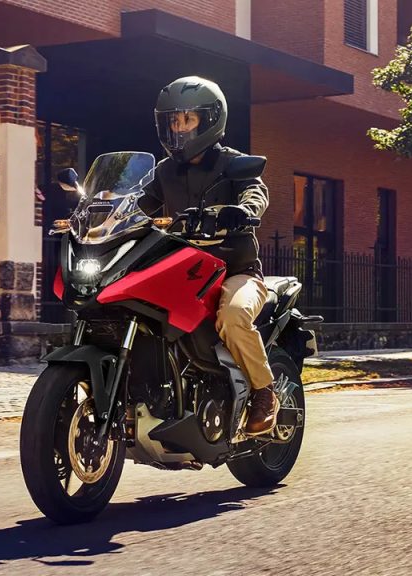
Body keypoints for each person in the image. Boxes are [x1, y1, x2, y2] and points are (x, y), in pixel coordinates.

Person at [139, 76, 278, 436]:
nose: (180, 128)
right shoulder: (164, 171)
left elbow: (255, 192)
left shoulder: (233, 164)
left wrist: (242, 210)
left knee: (232, 317)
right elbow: (137, 206)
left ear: (210, 120)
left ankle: (264, 392)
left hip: (235, 272)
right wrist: (102, 215)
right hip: (183, 273)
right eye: (173, 120)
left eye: (188, 119)